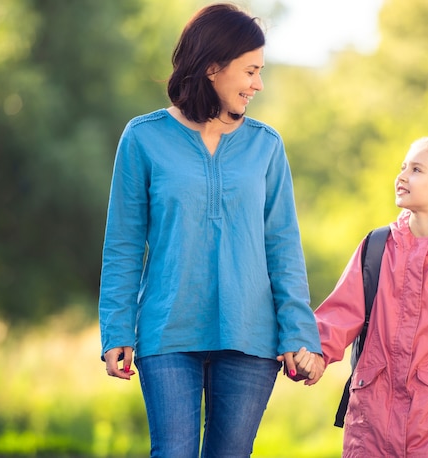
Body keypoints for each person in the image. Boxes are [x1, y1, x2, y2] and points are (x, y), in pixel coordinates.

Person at [98, 4, 323, 457]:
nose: (258, 83)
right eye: (251, 71)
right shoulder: (143, 137)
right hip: (168, 330)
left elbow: (282, 247)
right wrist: (117, 328)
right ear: (212, 68)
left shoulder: (266, 145)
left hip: (250, 336)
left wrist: (298, 333)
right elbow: (123, 244)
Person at [303, 136, 428, 457]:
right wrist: (315, 354)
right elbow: (340, 314)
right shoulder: (376, 247)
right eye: (403, 167)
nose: (402, 176)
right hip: (369, 420)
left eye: (417, 169)